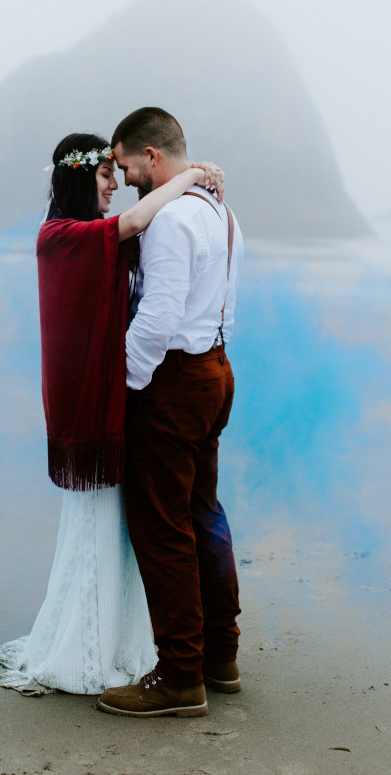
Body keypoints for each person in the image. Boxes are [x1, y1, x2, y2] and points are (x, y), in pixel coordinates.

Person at [0, 132, 224, 696]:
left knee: (123, 529)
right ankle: (91, 652)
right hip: (92, 403)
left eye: (116, 177)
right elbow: (135, 225)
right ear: (78, 179)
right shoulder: (61, 236)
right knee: (102, 526)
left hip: (117, 394)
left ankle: (129, 643)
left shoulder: (89, 236)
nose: (115, 187)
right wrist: (187, 178)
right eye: (104, 178)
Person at [97, 107, 243, 718]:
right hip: (215, 370)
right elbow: (220, 305)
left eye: (127, 165)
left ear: (152, 156)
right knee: (202, 512)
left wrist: (125, 389)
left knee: (162, 528)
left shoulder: (171, 220)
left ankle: (182, 676)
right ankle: (220, 655)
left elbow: (156, 317)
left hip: (171, 383)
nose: (127, 179)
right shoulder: (220, 213)